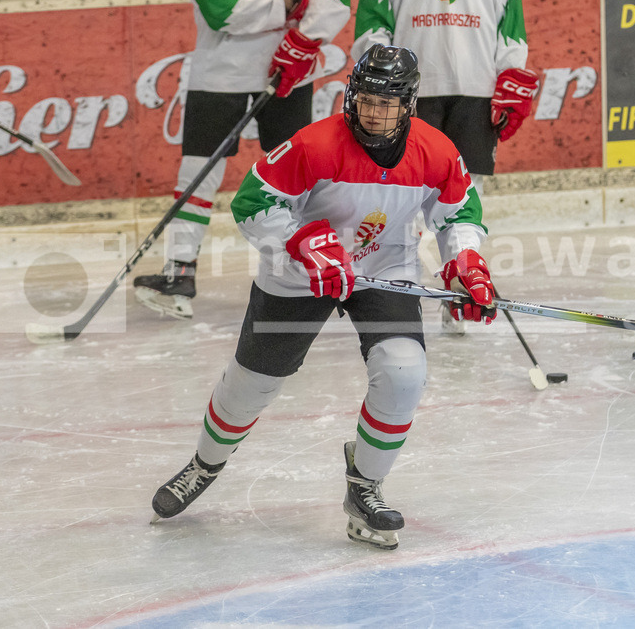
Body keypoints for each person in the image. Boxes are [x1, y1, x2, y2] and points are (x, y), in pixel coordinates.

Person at [149, 44, 497, 550]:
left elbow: (459, 213)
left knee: (404, 372)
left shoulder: (437, 151)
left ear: (408, 104)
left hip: (382, 269)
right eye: (366, 100)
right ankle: (204, 464)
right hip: (299, 272)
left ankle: (365, 487)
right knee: (252, 384)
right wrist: (301, 242)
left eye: (387, 104)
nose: (374, 113)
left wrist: (465, 263)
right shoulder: (314, 145)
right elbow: (252, 202)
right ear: (352, 96)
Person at [133, 0, 351, 320]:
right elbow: (222, 9)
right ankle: (180, 272)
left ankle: (314, 266)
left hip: (284, 68)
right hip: (223, 74)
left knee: (300, 178)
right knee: (197, 174)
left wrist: (304, 40)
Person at [350, 0, 539, 334]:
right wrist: (379, 77)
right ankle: (395, 288)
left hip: (477, 83)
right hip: (408, 87)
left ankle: (460, 282)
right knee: (402, 193)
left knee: (467, 192)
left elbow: (509, 9)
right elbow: (373, 11)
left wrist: (511, 70)